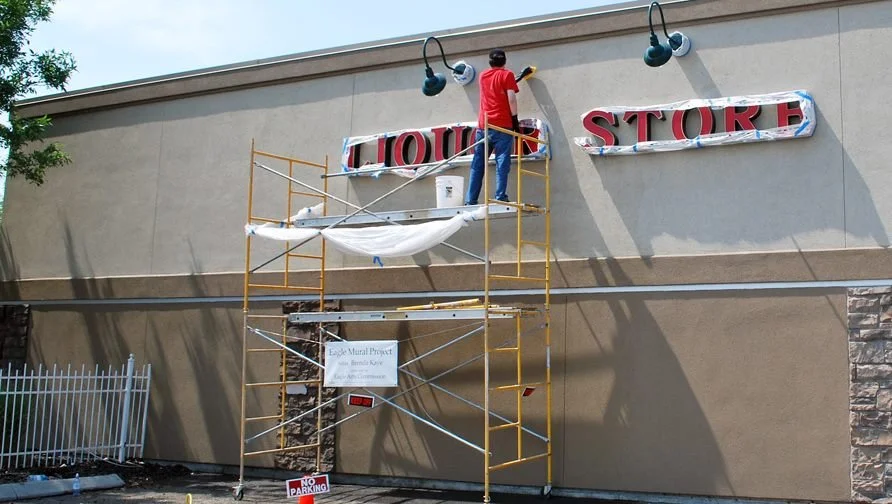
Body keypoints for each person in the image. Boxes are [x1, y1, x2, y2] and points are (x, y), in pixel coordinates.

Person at [464, 48, 520, 205]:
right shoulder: (507, 75)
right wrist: (515, 120)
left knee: (478, 163)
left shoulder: (483, 76)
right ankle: (500, 196)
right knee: (502, 162)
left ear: (490, 62)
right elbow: (511, 98)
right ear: (504, 61)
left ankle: (470, 199)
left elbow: (494, 90)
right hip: (503, 125)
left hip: (484, 126)